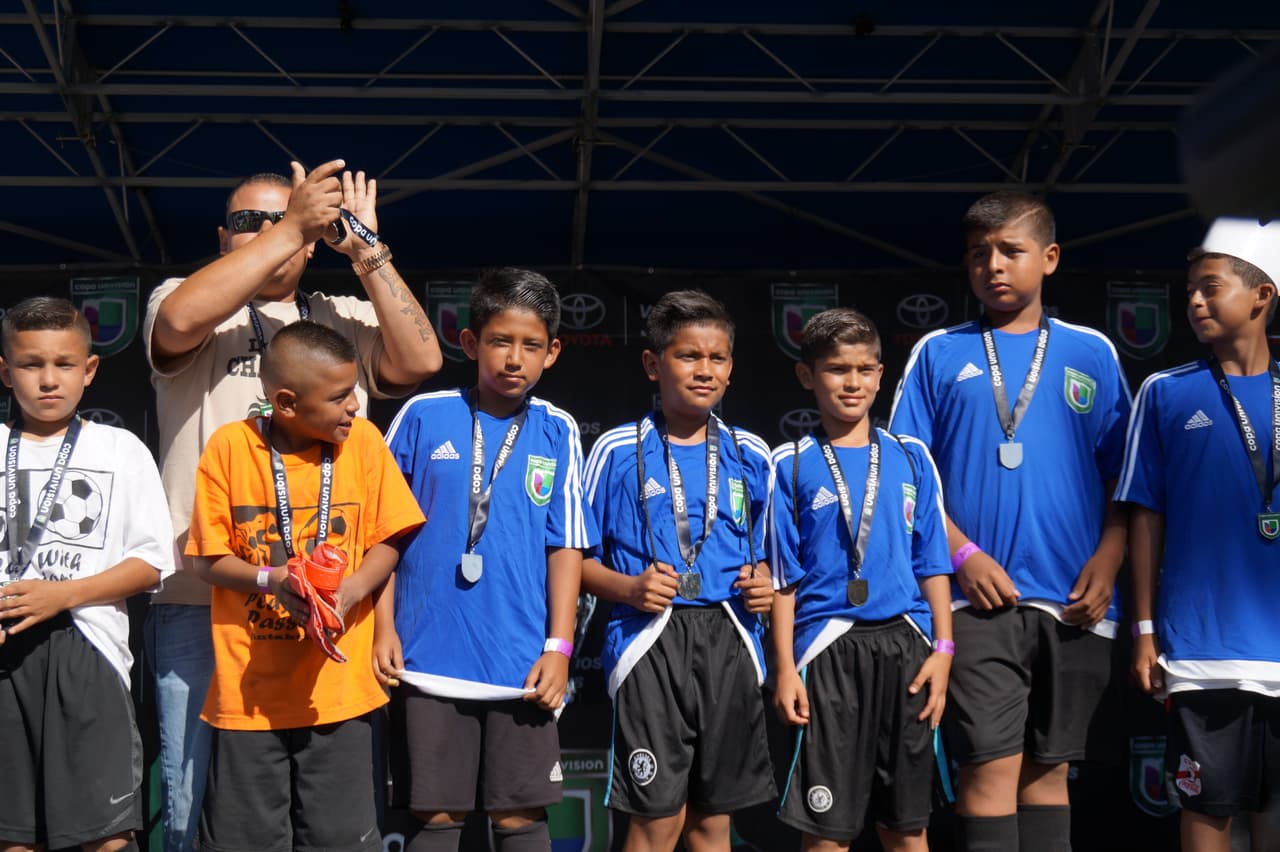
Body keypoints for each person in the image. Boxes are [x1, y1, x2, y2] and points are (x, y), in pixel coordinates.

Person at [142, 159, 442, 850]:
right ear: (223, 235)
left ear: (314, 243)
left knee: (331, 823)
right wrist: (293, 226)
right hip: (203, 602)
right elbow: (183, 319)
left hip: (329, 613)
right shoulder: (177, 295)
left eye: (287, 219)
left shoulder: (340, 317)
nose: (268, 231)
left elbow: (421, 361)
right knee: (199, 812)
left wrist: (365, 249)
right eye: (250, 222)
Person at [889, 191, 1132, 852]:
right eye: (978, 254)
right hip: (974, 604)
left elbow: (1127, 479)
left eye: (1010, 251)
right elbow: (905, 477)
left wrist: (1110, 558)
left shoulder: (1092, 353)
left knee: (1049, 776)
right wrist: (962, 553)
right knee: (988, 773)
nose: (993, 265)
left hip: (1074, 602)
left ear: (1049, 259)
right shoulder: (939, 352)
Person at [185, 320, 425, 852]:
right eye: (340, 397)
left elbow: (392, 536)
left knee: (340, 839)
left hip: (339, 696)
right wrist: (273, 580)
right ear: (287, 403)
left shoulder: (362, 443)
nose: (354, 408)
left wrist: (353, 589)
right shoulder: (230, 447)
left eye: (355, 392)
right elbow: (207, 558)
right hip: (249, 699)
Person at [382, 267, 596, 852]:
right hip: (427, 656)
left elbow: (566, 546)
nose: (514, 359)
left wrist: (559, 650)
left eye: (531, 346)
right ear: (470, 342)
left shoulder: (558, 430)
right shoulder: (423, 415)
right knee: (437, 815)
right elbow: (383, 535)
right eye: (500, 341)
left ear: (552, 352)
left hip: (522, 666)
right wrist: (382, 628)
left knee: (520, 817)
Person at [581, 289, 776, 852]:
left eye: (716, 358)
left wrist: (763, 581)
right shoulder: (616, 450)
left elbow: (773, 561)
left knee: (714, 822)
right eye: (688, 356)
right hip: (650, 640)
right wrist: (629, 588)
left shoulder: (753, 454)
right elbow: (573, 561)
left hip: (730, 636)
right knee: (655, 820)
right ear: (652, 364)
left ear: (732, 368)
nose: (704, 370)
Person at [1118, 218, 1280, 852]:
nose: (1193, 301)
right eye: (1189, 289)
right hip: (1202, 649)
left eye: (1210, 288)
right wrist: (1144, 630)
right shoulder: (1165, 391)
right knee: (1207, 815)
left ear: (1261, 296)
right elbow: (1143, 514)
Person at [770, 308, 953, 852]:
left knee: (906, 827)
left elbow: (933, 563)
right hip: (827, 652)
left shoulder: (911, 457)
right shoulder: (790, 463)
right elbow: (783, 579)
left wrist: (943, 648)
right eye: (836, 369)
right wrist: (784, 669)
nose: (852, 382)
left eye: (864, 369)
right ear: (808, 376)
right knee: (826, 834)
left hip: (907, 650)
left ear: (880, 375)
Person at [0, 297, 175, 852]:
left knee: (105, 836)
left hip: (88, 649)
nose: (49, 380)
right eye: (31, 364)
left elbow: (151, 563)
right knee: (14, 834)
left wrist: (62, 596)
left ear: (90, 370)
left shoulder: (120, 449)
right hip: (6, 651)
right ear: (4, 370)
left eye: (65, 364)